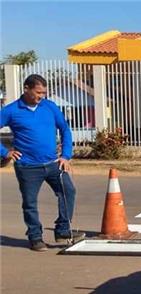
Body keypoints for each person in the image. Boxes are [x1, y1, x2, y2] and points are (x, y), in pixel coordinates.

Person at [0, 74, 85, 251]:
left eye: (44, 93)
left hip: (54, 163)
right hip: (27, 167)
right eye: (38, 92)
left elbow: (65, 129)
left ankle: (62, 230)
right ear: (27, 89)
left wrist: (66, 155)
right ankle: (35, 237)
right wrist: (5, 152)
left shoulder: (50, 107)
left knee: (68, 191)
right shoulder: (11, 110)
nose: (41, 96)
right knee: (30, 202)